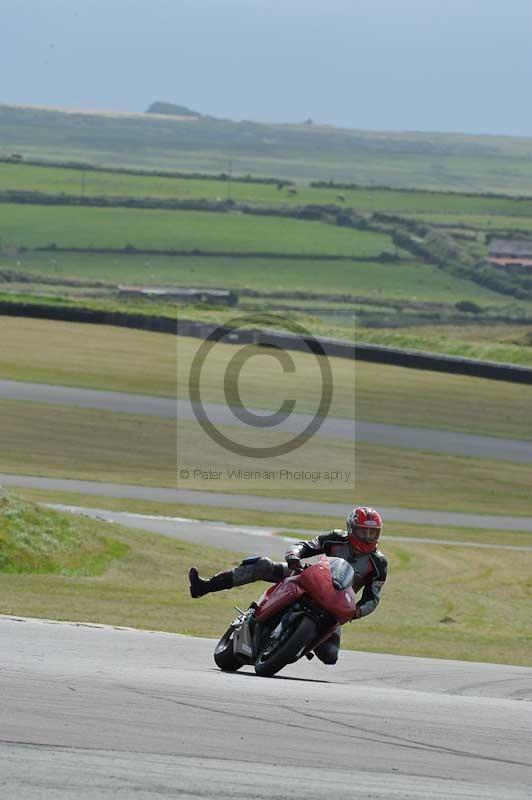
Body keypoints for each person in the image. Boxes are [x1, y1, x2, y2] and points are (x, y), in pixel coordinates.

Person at [188, 506, 387, 665]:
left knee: (330, 656)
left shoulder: (379, 563)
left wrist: (357, 612)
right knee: (263, 566)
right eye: (363, 531)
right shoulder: (336, 538)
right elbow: (306, 545)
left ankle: (294, 645)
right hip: (313, 579)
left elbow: (373, 597)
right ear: (351, 528)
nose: (367, 537)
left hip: (336, 604)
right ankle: (204, 586)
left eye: (372, 533)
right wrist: (294, 556)